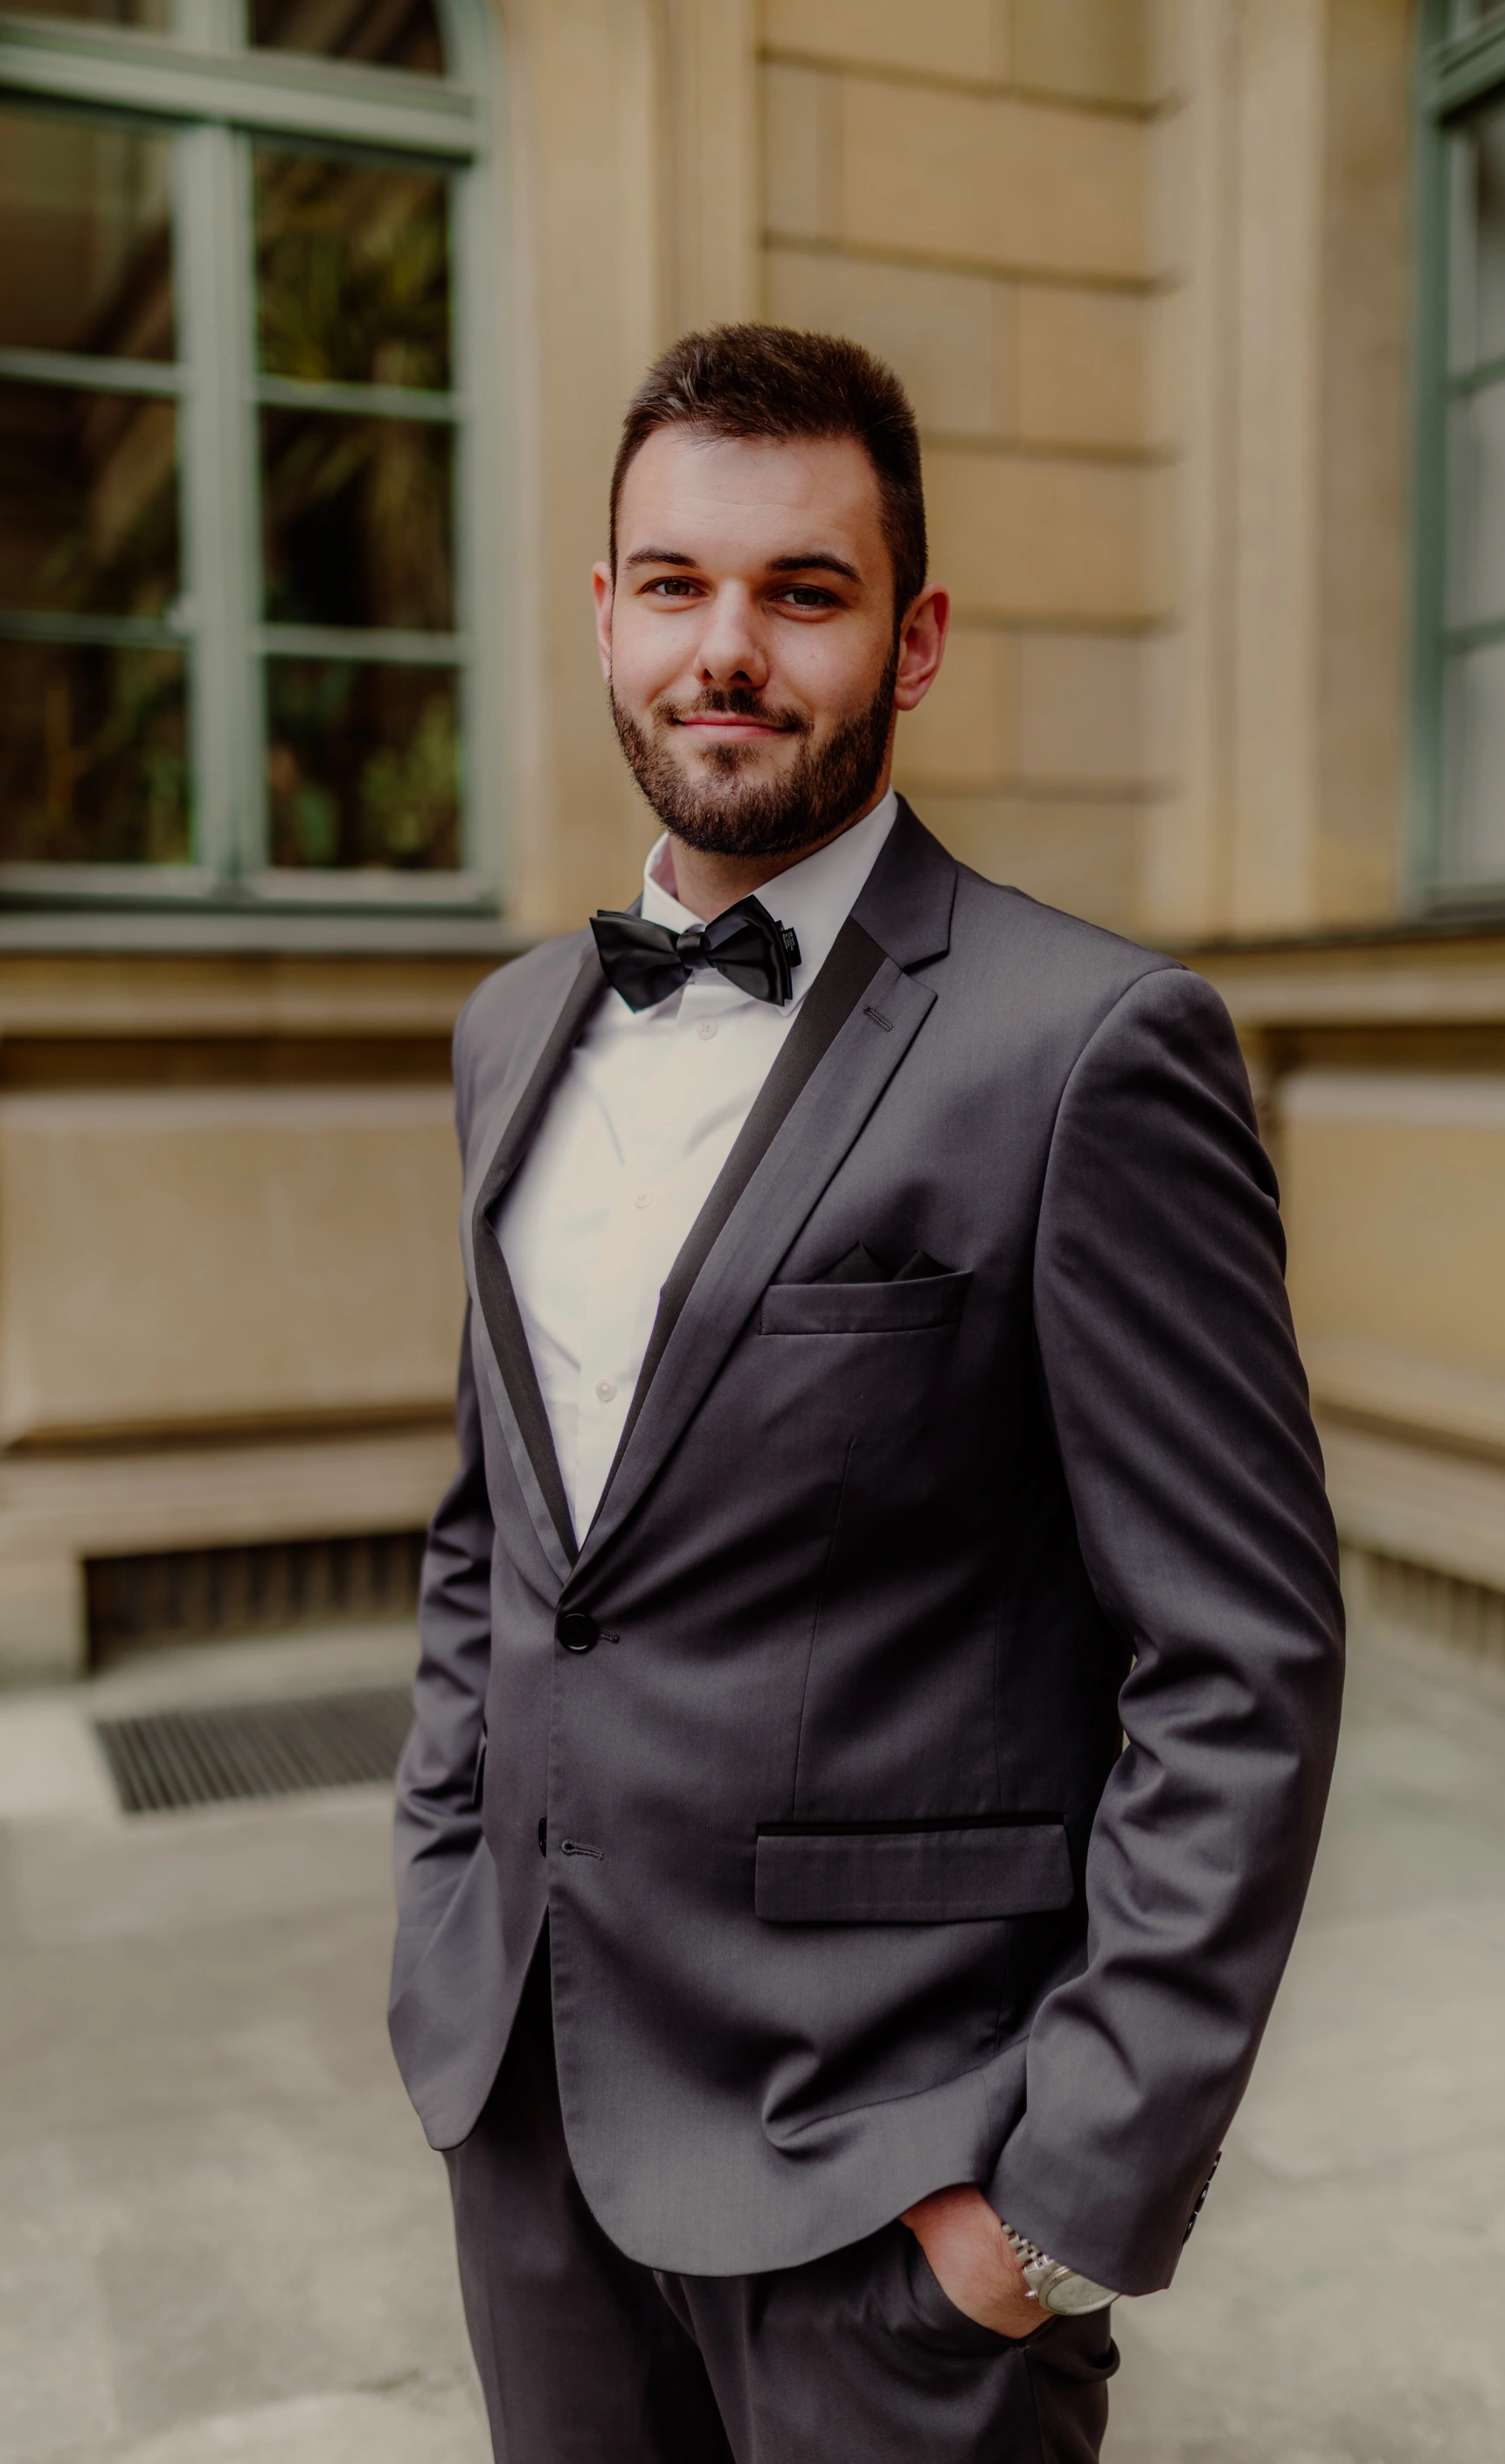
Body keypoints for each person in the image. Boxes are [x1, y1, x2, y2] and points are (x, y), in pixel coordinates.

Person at [390, 323, 1344, 2464]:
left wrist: (1049, 2214)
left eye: (798, 594)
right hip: (528, 2135)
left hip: (886, 2190)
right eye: (674, 585)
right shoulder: (507, 1029)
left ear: (908, 642)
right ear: (607, 616)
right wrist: (446, 1916)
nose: (725, 649)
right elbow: (502, 1540)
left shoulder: (1090, 1046)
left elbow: (1241, 1656)